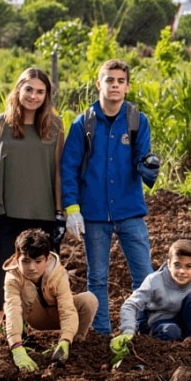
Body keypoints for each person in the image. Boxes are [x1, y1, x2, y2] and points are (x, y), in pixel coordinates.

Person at [61, 60, 159, 334]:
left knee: (144, 275)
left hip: (129, 210)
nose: (114, 85)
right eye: (109, 80)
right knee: (98, 277)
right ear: (98, 84)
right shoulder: (83, 124)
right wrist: (71, 208)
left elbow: (142, 158)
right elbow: (68, 168)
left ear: (127, 86)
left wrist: (149, 165)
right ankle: (101, 331)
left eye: (120, 81)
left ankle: (142, 328)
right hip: (94, 213)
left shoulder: (137, 120)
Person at [0, 67, 65, 339]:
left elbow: (57, 173)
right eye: (28, 89)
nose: (33, 96)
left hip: (43, 217)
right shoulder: (0, 124)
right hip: (6, 215)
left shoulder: (55, 126)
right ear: (18, 89)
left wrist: (60, 214)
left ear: (47, 96)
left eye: (40, 91)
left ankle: (37, 338)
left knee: (43, 285)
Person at [2, 229, 97, 371]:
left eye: (38, 261)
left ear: (47, 260)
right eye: (26, 261)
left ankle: (75, 345)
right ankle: (24, 341)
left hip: (56, 313)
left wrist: (65, 339)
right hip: (33, 316)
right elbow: (12, 310)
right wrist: (16, 347)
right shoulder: (13, 277)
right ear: (16, 258)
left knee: (89, 300)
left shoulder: (58, 273)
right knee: (13, 303)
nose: (32, 268)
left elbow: (67, 308)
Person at [113, 239, 191, 349]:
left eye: (188, 267)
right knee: (172, 332)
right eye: (177, 265)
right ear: (168, 264)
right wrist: (128, 331)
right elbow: (130, 305)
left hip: (187, 320)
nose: (182, 271)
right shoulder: (154, 281)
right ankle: (164, 348)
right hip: (160, 322)